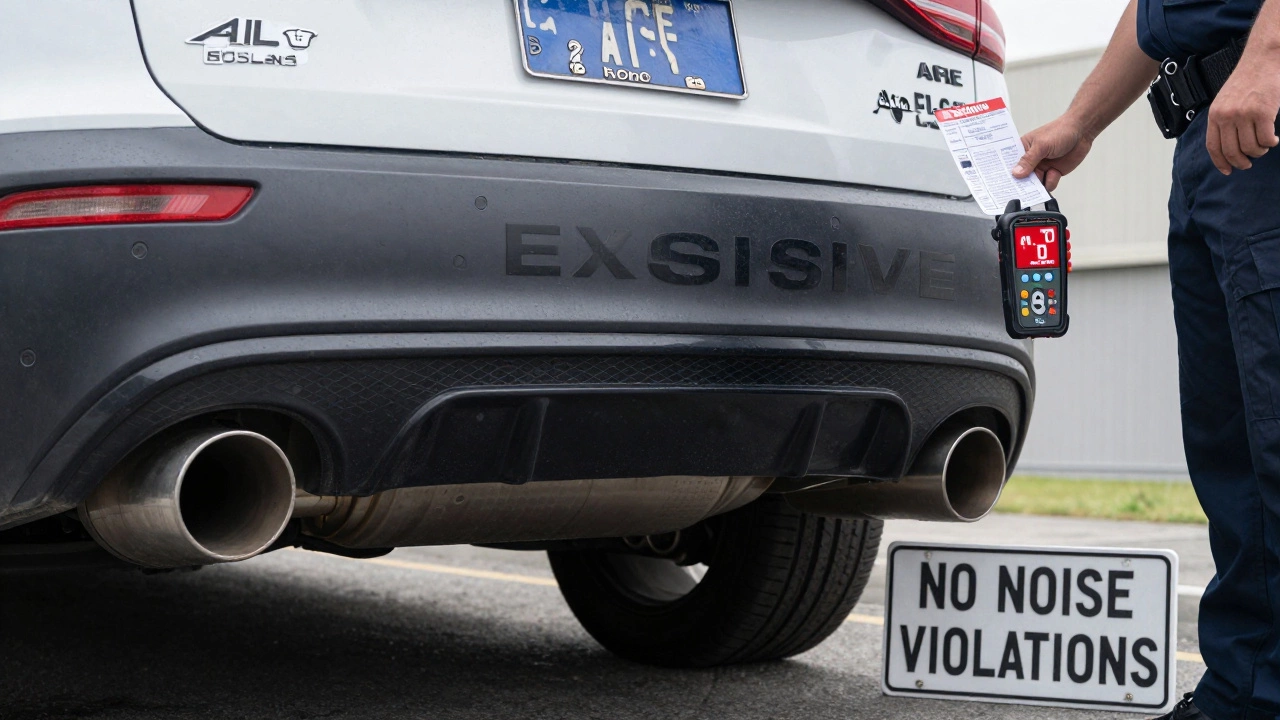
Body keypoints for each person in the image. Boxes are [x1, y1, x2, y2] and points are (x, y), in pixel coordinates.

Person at [1012, 0, 1280, 717]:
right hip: (1207, 140)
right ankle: (1244, 696)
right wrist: (1080, 121)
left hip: (1264, 111)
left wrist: (1270, 55)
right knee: (1232, 454)